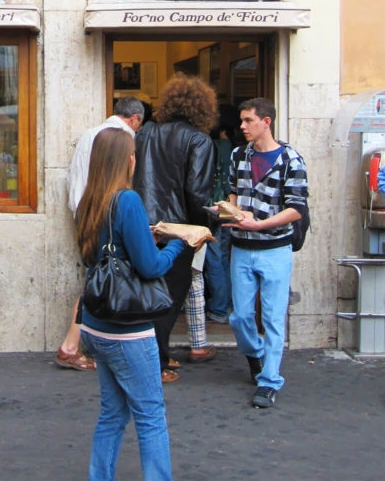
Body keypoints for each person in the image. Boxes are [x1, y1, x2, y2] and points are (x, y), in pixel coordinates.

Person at [77, 128, 185, 481]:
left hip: (95, 322)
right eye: (134, 153)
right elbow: (151, 266)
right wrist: (180, 242)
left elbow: (102, 253)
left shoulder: (90, 200)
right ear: (127, 160)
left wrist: (145, 237)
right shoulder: (127, 201)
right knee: (151, 414)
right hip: (127, 330)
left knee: (112, 412)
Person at [224, 97, 308, 409]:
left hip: (274, 248)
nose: (242, 126)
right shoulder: (238, 155)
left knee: (273, 318)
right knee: (240, 316)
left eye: (248, 121)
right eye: (242, 121)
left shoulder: (290, 159)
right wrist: (229, 211)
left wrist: (260, 225)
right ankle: (256, 355)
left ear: (266, 122)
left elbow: (296, 209)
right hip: (242, 246)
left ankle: (269, 380)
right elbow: (234, 190)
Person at [132, 73, 217, 382]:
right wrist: (203, 229)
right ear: (203, 108)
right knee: (169, 300)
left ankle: (157, 356)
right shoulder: (199, 140)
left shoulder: (145, 133)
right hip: (177, 230)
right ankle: (156, 363)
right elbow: (197, 192)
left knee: (146, 295)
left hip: (142, 224)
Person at [55, 97, 146, 371]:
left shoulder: (90, 134)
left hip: (86, 213)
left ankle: (74, 345)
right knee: (98, 280)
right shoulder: (121, 139)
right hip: (104, 214)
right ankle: (71, 346)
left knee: (97, 278)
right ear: (135, 119)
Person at [203, 105, 238, 323]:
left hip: (214, 206)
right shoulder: (234, 148)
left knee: (214, 257)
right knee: (225, 256)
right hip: (229, 205)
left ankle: (217, 307)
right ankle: (227, 304)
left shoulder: (213, 146)